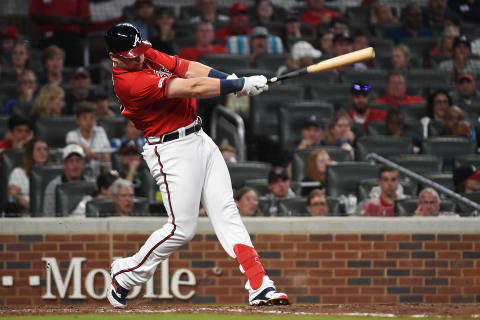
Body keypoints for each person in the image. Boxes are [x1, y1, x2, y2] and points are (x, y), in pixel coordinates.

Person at [103, 23, 288, 308]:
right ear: (115, 57)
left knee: (227, 212)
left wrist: (232, 79)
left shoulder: (145, 54)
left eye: (139, 50)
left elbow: (190, 68)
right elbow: (191, 87)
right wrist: (239, 85)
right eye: (131, 54)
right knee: (181, 229)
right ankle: (125, 274)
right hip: (170, 149)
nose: (139, 57)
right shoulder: (130, 83)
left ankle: (259, 284)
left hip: (198, 137)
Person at [28, 0, 90, 67]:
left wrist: (69, 20)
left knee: (75, 68)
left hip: (71, 38)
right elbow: (33, 14)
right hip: (48, 37)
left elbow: (85, 17)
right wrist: (53, 20)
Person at [66, 102, 111, 178]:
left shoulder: (100, 131)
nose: (89, 122)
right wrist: (86, 150)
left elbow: (106, 156)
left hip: (99, 176)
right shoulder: (71, 134)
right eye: (84, 118)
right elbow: (73, 146)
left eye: (92, 118)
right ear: (77, 120)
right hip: (79, 177)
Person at [7, 139, 49, 215]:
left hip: (48, 212)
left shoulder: (52, 174)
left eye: (45, 149)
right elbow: (12, 195)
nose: (43, 152)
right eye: (38, 149)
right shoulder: (19, 172)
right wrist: (31, 206)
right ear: (30, 153)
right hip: (25, 212)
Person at [43, 144, 86, 216]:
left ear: (83, 164)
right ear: (64, 164)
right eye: (70, 161)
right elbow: (47, 215)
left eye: (78, 160)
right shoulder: (54, 186)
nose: (75, 164)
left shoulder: (90, 185)